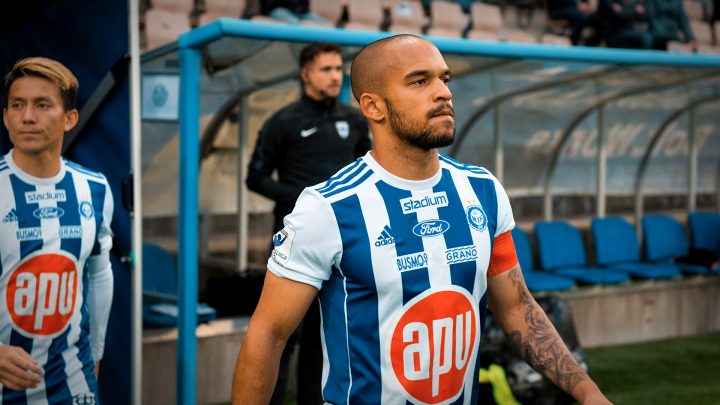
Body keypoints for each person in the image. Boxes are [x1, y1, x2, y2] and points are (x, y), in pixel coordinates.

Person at [233, 34, 612, 405]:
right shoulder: (326, 208)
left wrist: (588, 393)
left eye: (444, 79)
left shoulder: (482, 190)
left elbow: (515, 307)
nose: (444, 92)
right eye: (419, 81)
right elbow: (268, 334)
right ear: (374, 107)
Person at [245, 42, 371, 405]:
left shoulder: (353, 119)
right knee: (283, 334)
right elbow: (255, 177)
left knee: (324, 335)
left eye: (337, 69)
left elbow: (366, 169)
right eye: (326, 69)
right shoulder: (283, 122)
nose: (335, 76)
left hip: (344, 241)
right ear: (305, 74)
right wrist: (301, 199)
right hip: (294, 238)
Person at [0, 57, 114, 404]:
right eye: (17, 105)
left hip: (72, 384)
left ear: (70, 118)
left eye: (42, 104)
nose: (28, 116)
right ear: (6, 117)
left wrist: (95, 353)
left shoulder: (94, 188)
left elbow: (99, 272)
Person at [259, 0, 331, 25]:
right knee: (294, 23)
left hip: (301, 13)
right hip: (279, 9)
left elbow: (305, 5)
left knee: (327, 23)